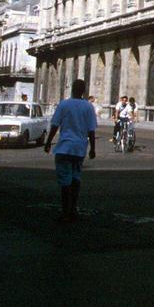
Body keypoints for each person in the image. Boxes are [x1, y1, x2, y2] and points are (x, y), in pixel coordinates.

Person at [44, 78, 98, 222]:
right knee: (76, 178)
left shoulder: (64, 104)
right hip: (80, 148)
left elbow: (55, 125)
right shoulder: (88, 107)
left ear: (72, 89)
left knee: (65, 181)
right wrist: (93, 148)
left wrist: (48, 142)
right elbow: (91, 130)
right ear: (83, 91)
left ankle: (66, 210)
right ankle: (73, 207)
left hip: (64, 147)